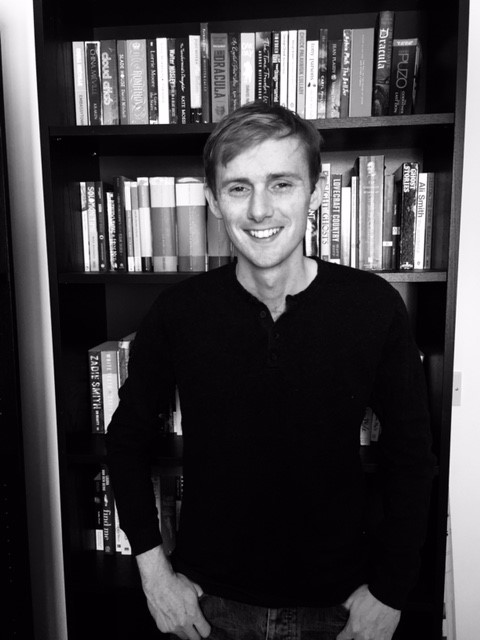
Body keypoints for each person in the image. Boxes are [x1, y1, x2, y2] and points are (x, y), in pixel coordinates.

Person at [106, 101, 436, 640]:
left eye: (281, 184)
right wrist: (154, 576)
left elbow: (412, 458)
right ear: (214, 200)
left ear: (316, 192)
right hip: (209, 606)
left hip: (342, 606)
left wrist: (391, 592)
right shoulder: (179, 312)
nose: (260, 210)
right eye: (239, 187)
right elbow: (126, 442)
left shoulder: (373, 307)